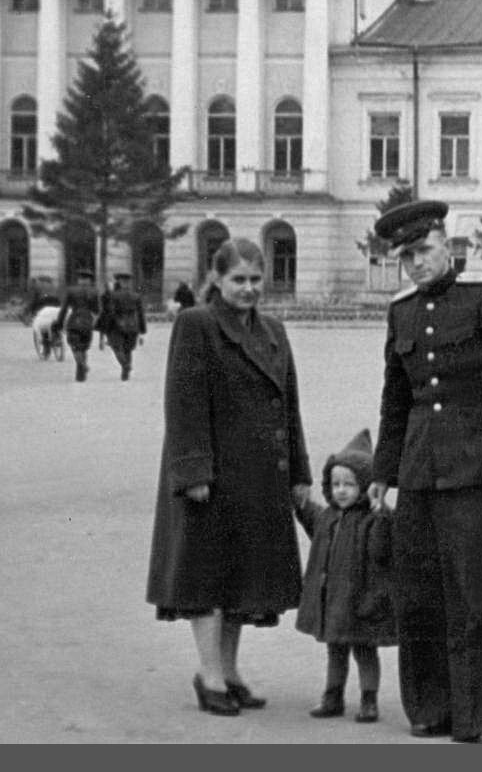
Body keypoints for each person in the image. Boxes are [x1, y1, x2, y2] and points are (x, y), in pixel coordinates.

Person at [367, 199, 482, 744]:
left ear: (446, 242)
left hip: (479, 467)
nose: (415, 264)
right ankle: (432, 707)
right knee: (419, 594)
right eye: (406, 257)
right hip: (419, 470)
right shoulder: (402, 311)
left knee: (480, 592)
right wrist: (383, 471)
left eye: (423, 251)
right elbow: (397, 399)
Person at [146, 238, 312, 719]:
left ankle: (231, 671)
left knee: (244, 581)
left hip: (260, 478)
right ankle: (209, 673)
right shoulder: (196, 324)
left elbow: (290, 407)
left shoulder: (274, 331)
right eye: (238, 279)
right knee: (206, 576)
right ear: (216, 279)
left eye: (256, 279)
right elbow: (184, 402)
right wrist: (193, 471)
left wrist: (298, 473)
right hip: (213, 477)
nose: (248, 288)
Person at [295, 428, 397, 724]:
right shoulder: (327, 517)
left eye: (349, 485)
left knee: (365, 652)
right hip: (333, 602)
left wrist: (382, 516)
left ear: (365, 486)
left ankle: (369, 699)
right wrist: (300, 504)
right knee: (335, 651)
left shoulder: (371, 520)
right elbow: (311, 517)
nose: (341, 490)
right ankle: (333, 695)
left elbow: (381, 550)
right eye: (336, 483)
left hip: (360, 600)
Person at [52, 269, 102, 382]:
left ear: (79, 280)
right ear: (90, 280)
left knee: (75, 346)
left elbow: (64, 309)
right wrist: (95, 323)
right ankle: (81, 376)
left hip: (74, 322)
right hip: (87, 323)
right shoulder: (95, 292)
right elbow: (97, 310)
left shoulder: (71, 291)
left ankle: (82, 365)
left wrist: (59, 323)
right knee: (83, 348)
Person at [99, 272, 147, 381]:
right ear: (129, 282)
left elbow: (109, 310)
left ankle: (125, 366)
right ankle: (125, 374)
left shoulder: (113, 295)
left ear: (119, 282)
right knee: (128, 349)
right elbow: (140, 314)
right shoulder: (136, 296)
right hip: (132, 325)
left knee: (117, 348)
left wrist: (106, 326)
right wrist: (142, 330)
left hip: (117, 324)